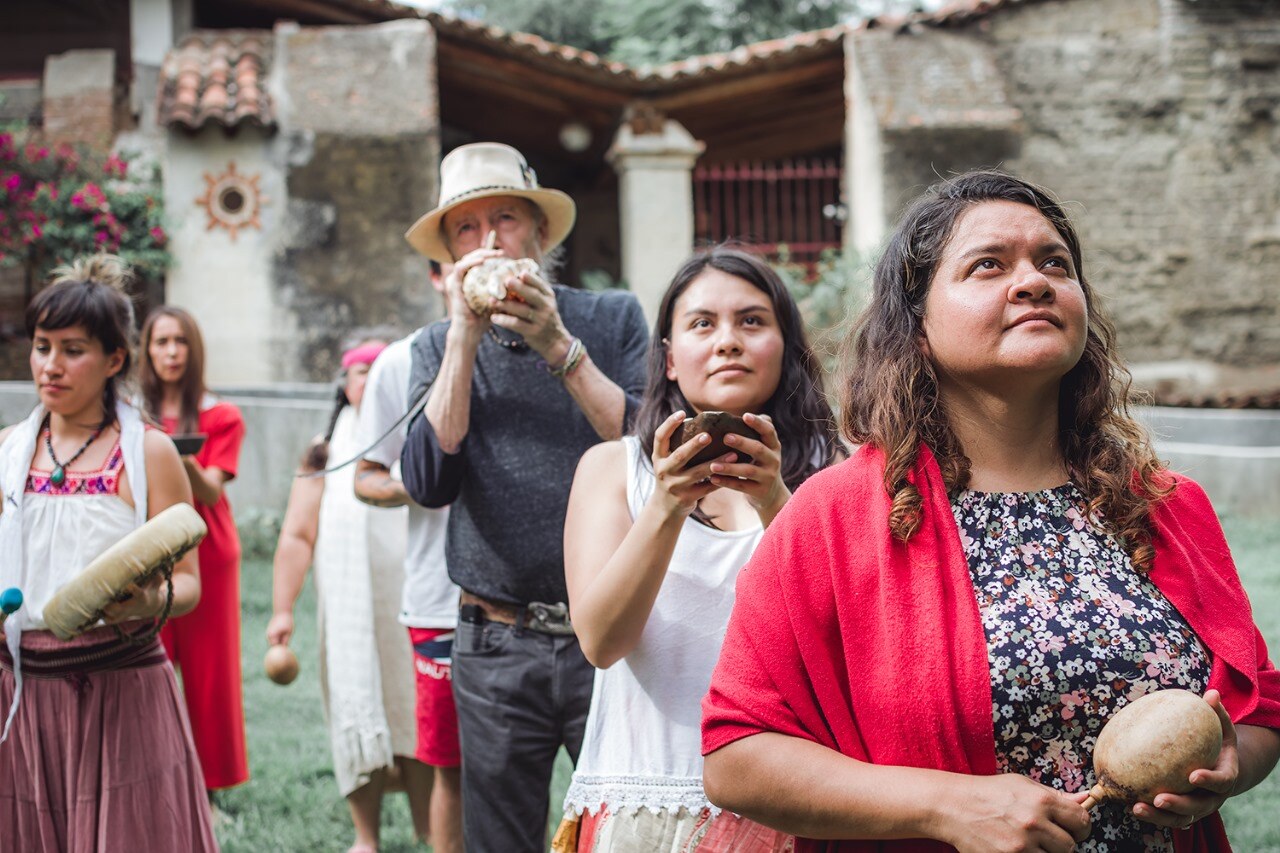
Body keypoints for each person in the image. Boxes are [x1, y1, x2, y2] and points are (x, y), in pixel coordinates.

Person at [700, 171, 1280, 853]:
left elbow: (1256, 707)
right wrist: (946, 805)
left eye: (1054, 263)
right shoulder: (832, 516)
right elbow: (735, 754)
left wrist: (1230, 763)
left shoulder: (1165, 505)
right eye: (988, 265)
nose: (1033, 281)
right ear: (915, 328)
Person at [400, 141, 650, 851]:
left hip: (613, 639)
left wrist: (558, 346)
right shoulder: (434, 345)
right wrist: (461, 339)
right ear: (448, 258)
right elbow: (427, 481)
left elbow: (649, 454)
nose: (489, 243)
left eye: (505, 220)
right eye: (466, 231)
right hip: (495, 640)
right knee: (501, 839)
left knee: (624, 831)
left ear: (540, 234)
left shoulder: (610, 318)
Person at [555, 247, 840, 851]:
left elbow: (848, 640)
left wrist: (773, 504)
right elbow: (602, 643)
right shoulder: (614, 470)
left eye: (753, 321)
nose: (728, 340)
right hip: (645, 794)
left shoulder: (834, 474)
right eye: (702, 323)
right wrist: (665, 505)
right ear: (670, 358)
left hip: (792, 794)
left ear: (787, 347)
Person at [0, 254, 217, 851]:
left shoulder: (149, 455)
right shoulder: (8, 452)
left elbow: (190, 584)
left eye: (73, 350)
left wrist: (141, 603)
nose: (51, 366)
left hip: (122, 690)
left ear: (115, 358)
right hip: (25, 695)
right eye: (42, 346)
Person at [266, 337, 432, 853]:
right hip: (347, 616)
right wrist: (281, 611)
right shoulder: (324, 451)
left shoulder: (420, 443)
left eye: (377, 373)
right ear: (345, 384)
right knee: (354, 709)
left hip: (411, 607)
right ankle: (367, 838)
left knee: (413, 712)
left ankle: (429, 829)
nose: (368, 382)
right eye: (359, 374)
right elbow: (297, 534)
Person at [353, 260, 462, 853]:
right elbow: (364, 478)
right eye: (457, 259)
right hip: (438, 600)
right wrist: (422, 480)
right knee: (451, 766)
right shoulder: (402, 361)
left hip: (545, 603)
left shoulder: (552, 349)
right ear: (435, 276)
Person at [139, 306, 249, 794]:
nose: (170, 352)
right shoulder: (128, 415)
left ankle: (209, 784)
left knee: (209, 674)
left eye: (180, 341)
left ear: (193, 349)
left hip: (209, 550)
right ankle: (148, 774)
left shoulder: (222, 415)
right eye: (160, 341)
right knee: (146, 661)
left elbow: (209, 492)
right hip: (146, 548)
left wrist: (172, 453)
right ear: (145, 351)